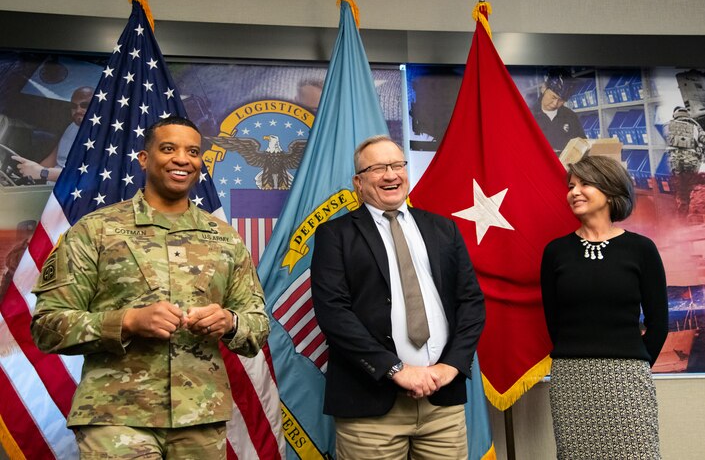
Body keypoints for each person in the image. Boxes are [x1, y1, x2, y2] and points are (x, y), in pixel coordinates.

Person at [30, 117, 270, 459]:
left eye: (192, 152)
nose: (182, 159)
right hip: (116, 416)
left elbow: (258, 324)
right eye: (168, 149)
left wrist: (230, 322)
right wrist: (127, 322)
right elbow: (47, 327)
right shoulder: (95, 230)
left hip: (200, 418)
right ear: (144, 158)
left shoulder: (225, 238)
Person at [311, 135, 485, 459]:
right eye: (378, 168)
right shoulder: (334, 235)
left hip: (442, 406)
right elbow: (333, 314)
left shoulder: (443, 229)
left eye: (397, 165)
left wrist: (451, 366)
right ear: (359, 182)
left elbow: (471, 303)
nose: (390, 175)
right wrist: (396, 369)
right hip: (370, 410)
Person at [541, 155, 668, 459]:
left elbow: (659, 323)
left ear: (610, 191)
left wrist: (632, 365)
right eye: (571, 186)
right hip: (571, 379)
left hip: (628, 378)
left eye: (585, 184)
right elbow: (554, 323)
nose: (574, 192)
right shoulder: (556, 252)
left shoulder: (641, 249)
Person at [12, 86, 93, 183]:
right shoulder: (72, 127)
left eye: (85, 105)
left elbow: (88, 175)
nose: (78, 110)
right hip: (48, 187)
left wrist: (42, 172)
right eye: (74, 106)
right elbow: (52, 160)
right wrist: (28, 174)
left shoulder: (104, 137)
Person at [532, 69, 586, 155]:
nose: (555, 103)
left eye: (561, 100)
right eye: (553, 97)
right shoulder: (527, 114)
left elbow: (582, 145)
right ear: (543, 88)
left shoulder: (570, 116)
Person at [666, 106, 705, 217]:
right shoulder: (695, 126)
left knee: (677, 189)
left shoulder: (668, 125)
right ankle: (686, 213)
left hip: (674, 162)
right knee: (687, 189)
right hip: (691, 162)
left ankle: (678, 214)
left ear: (675, 115)